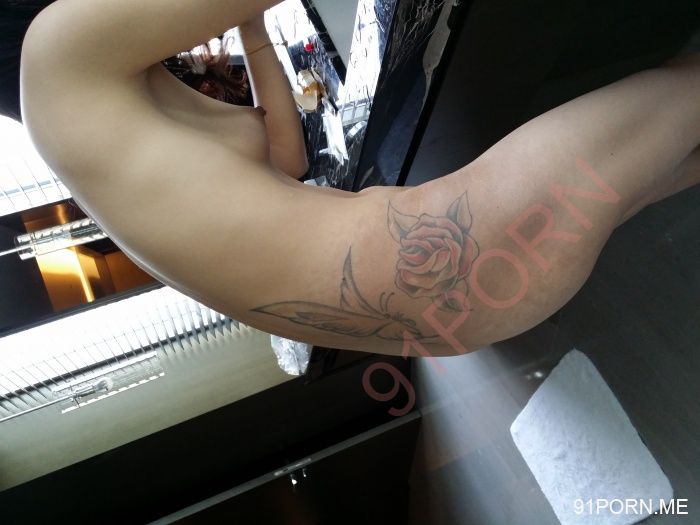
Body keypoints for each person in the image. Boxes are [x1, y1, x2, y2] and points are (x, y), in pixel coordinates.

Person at [9, 0, 700, 357]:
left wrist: (247, 26)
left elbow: (287, 158)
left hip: (460, 306)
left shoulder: (75, 113)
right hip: (463, 244)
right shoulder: (57, 49)